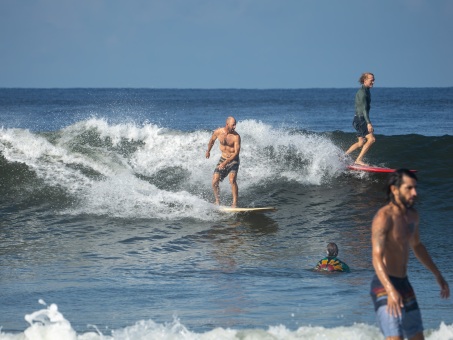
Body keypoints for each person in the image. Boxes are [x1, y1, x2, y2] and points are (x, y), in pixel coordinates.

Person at [370, 169, 450, 340]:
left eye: (415, 188)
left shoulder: (412, 215)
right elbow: (376, 257)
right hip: (384, 284)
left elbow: (417, 246)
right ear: (394, 189)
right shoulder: (383, 217)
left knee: (417, 337)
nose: (415, 193)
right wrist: (390, 290)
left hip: (404, 283)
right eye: (409, 188)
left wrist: (438, 275)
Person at [205, 116, 241, 207]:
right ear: (227, 124)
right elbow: (211, 140)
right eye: (233, 125)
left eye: (235, 125)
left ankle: (234, 203)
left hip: (233, 159)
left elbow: (236, 153)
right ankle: (217, 200)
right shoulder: (218, 132)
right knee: (214, 181)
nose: (234, 127)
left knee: (232, 180)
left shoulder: (236, 137)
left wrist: (226, 162)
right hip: (223, 158)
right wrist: (208, 151)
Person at [345, 72, 376, 166]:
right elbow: (364, 109)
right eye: (371, 80)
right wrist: (369, 123)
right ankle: (358, 160)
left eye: (374, 80)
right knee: (371, 139)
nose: (373, 82)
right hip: (361, 119)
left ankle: (343, 156)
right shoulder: (363, 93)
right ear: (365, 80)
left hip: (357, 119)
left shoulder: (366, 90)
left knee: (361, 142)